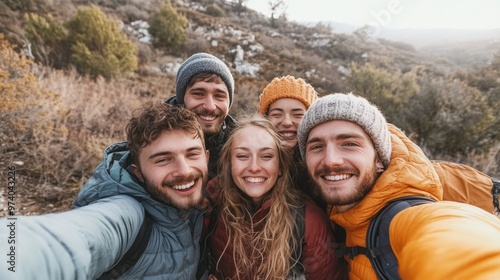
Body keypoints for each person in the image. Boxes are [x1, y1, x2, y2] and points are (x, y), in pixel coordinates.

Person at [296, 93, 500, 279]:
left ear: (379, 160)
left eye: (350, 144)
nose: (330, 160)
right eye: (317, 147)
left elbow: (455, 237)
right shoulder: (335, 216)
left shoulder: (404, 216)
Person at [0, 101, 209, 279]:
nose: (184, 171)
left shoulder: (201, 207)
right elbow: (72, 241)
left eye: (192, 154)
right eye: (163, 160)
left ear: (207, 158)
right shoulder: (128, 213)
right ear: (137, 173)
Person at [259, 76, 498, 215]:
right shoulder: (260, 160)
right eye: (276, 113)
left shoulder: (390, 165)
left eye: (298, 113)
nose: (287, 122)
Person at [204, 116, 347, 279]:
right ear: (229, 164)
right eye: (243, 156)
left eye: (266, 156)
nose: (254, 167)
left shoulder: (307, 219)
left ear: (280, 167)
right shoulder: (211, 203)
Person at [166, 52, 236, 180]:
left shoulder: (240, 147)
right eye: (199, 94)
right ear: (182, 98)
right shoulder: (151, 138)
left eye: (219, 96)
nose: (210, 106)